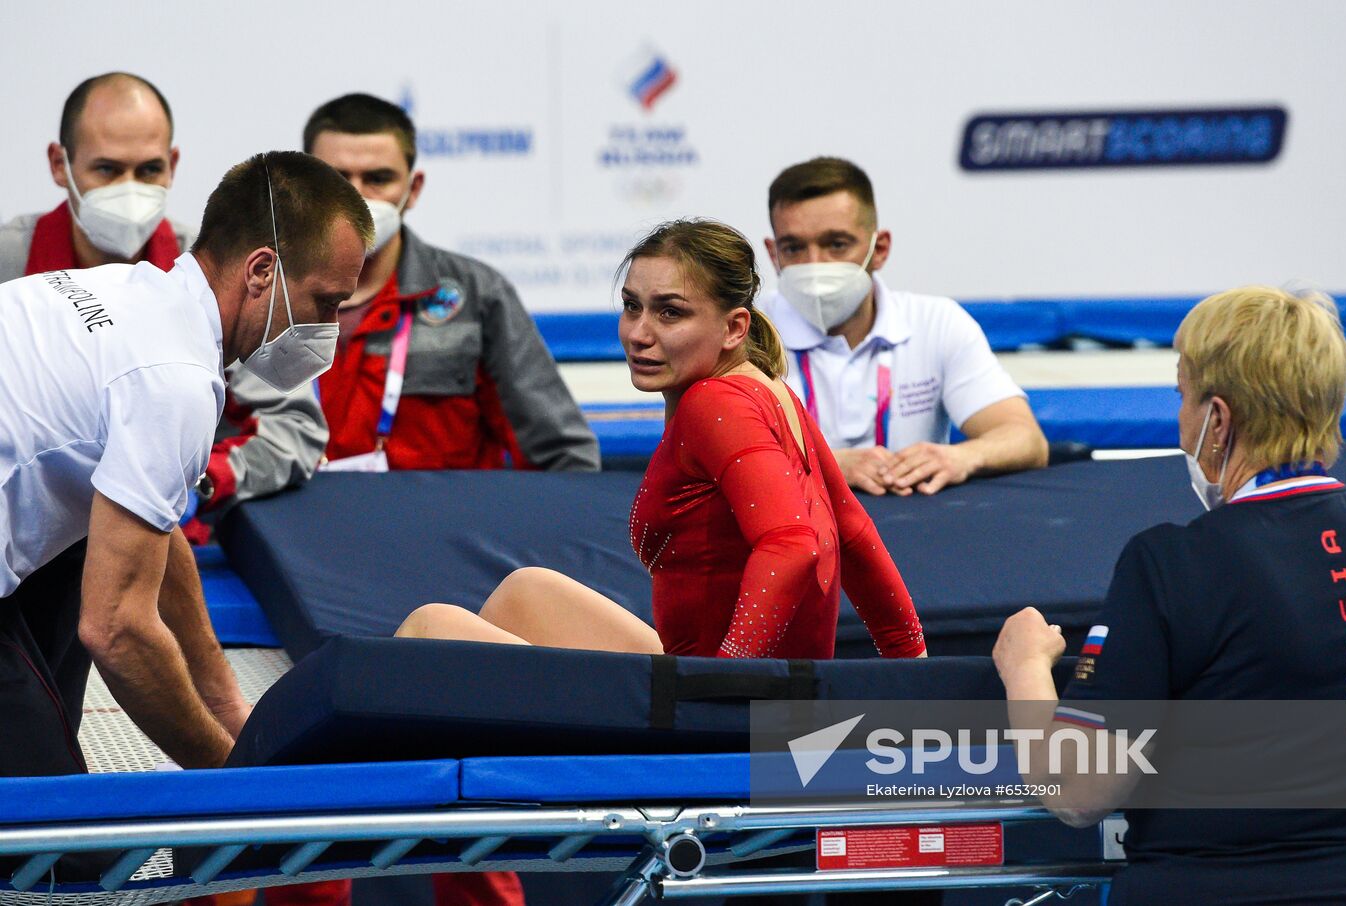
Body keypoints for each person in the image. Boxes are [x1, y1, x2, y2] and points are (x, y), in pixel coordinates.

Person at [993, 286, 1346, 903]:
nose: (1180, 418)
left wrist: (1024, 669)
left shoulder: (1171, 564)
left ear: (1219, 418)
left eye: (1181, 396)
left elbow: (1075, 792)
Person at [0, 151, 370, 786]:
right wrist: (234, 785)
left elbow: (153, 530)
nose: (330, 331)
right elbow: (116, 629)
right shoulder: (177, 380)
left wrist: (225, 701)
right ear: (262, 272)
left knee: (91, 536)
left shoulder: (129, 291)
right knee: (56, 865)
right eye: (326, 302)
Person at [397, 219, 927, 661]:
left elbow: (793, 544)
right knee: (526, 591)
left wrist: (726, 681)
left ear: (735, 327)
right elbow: (853, 532)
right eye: (632, 306)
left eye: (669, 312)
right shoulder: (771, 389)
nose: (639, 333)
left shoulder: (713, 404)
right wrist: (913, 665)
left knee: (430, 625)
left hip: (718, 708)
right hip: (737, 690)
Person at [0, 72, 329, 544]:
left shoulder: (217, 275)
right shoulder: (10, 263)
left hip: (155, 535)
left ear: (173, 164)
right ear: (60, 163)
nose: (129, 189)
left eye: (149, 170)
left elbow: (294, 426)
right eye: (108, 170)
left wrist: (196, 477)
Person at [304, 93, 598, 473]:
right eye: (336, 179)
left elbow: (564, 457)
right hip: (291, 530)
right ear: (305, 187)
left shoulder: (477, 294)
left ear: (413, 188)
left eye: (379, 179)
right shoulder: (261, 294)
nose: (357, 196)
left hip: (443, 531)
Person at [757, 157, 1047, 496]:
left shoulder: (936, 322)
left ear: (879, 249)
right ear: (773, 254)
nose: (815, 264)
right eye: (794, 248)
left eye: (836, 244)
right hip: (795, 533)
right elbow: (708, 461)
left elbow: (1027, 440)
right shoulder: (741, 334)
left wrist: (961, 457)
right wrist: (828, 465)